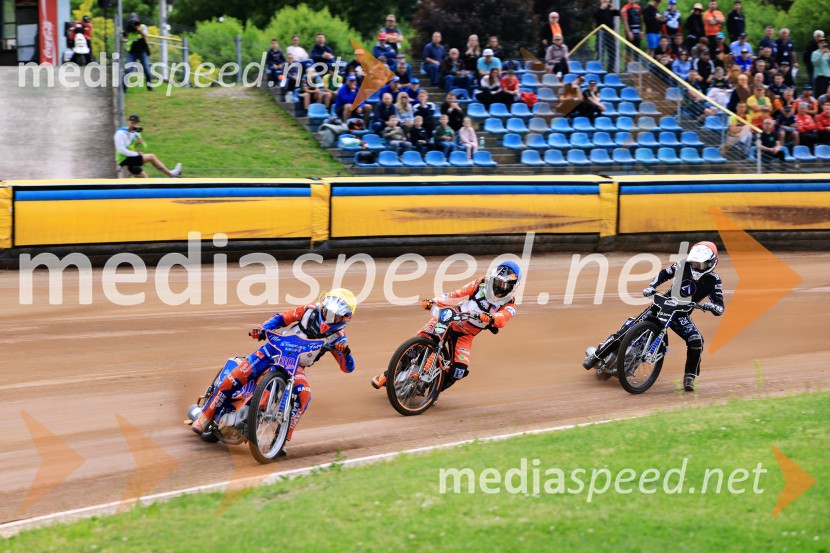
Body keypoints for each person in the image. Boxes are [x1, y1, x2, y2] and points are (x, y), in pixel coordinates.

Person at [191, 289, 357, 453]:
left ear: (344, 319)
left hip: (296, 366)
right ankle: (204, 417)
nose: (327, 316)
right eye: (327, 311)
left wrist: (345, 352)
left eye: (333, 315)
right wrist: (263, 328)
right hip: (272, 350)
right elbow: (282, 317)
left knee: (305, 395)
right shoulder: (308, 310)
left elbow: (348, 368)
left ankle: (281, 439)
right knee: (235, 377)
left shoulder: (338, 338)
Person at [584, 243, 724, 392]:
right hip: (662, 305)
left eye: (701, 264)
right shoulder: (683, 265)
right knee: (629, 328)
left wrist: (713, 307)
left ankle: (689, 376)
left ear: (711, 263)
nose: (697, 266)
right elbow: (664, 274)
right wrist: (651, 286)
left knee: (696, 340)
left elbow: (720, 306)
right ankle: (597, 356)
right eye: (695, 262)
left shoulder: (714, 280)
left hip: (680, 314)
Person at [371, 262, 521, 391]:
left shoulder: (510, 304)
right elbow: (456, 295)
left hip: (465, 335)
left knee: (459, 371)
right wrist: (433, 301)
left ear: (512, 287)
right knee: (418, 344)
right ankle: (387, 375)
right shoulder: (480, 283)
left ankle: (433, 391)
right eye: (496, 281)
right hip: (450, 319)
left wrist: (492, 317)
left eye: (502, 284)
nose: (497, 286)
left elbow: (503, 318)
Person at [114, 114, 182, 178]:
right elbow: (121, 150)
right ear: (128, 122)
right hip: (124, 159)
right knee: (151, 157)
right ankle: (172, 174)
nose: (134, 124)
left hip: (132, 160)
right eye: (132, 122)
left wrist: (141, 143)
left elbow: (143, 149)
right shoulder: (120, 133)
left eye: (135, 123)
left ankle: (172, 177)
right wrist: (136, 154)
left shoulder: (136, 133)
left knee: (146, 180)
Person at [123, 13, 152, 90]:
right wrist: (127, 31)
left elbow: (145, 36)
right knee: (128, 69)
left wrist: (139, 30)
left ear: (139, 20)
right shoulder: (128, 28)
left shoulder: (143, 27)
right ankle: (123, 88)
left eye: (135, 21)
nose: (134, 23)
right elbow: (125, 38)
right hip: (132, 52)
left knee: (146, 69)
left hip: (142, 51)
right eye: (132, 21)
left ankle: (150, 87)